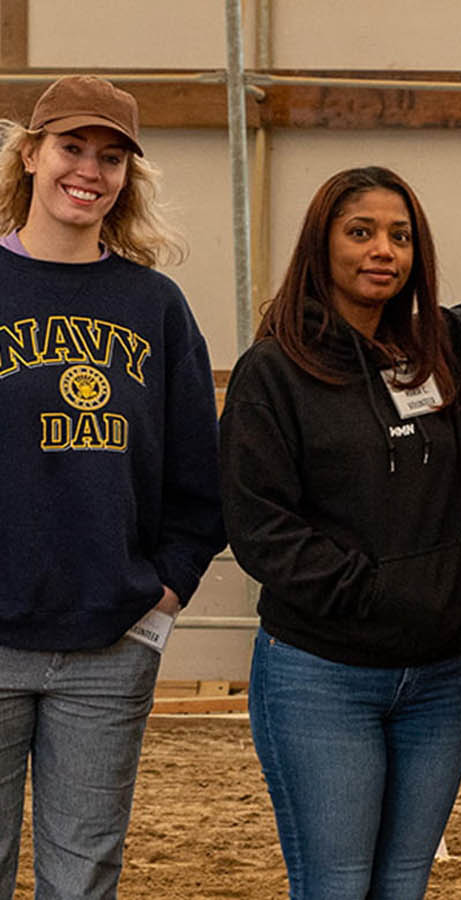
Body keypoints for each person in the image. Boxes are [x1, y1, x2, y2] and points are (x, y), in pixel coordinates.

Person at [219, 166, 461, 899]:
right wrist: (374, 593)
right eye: (360, 232)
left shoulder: (436, 353)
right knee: (335, 885)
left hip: (434, 680)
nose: (382, 251)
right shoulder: (272, 373)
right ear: (322, 244)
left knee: (402, 884)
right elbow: (260, 526)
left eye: (399, 236)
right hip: (320, 677)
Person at [0, 75, 226, 898]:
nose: (88, 171)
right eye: (71, 147)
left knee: (84, 877)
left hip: (107, 645)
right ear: (30, 154)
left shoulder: (153, 305)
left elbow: (199, 481)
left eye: (111, 157)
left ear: (128, 176)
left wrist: (160, 600)